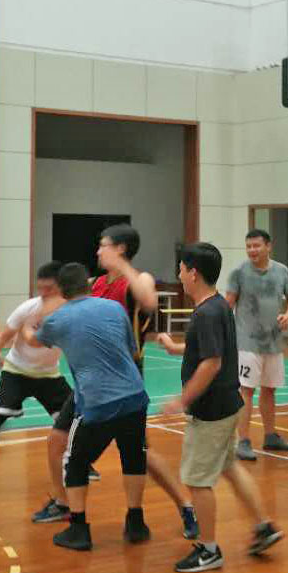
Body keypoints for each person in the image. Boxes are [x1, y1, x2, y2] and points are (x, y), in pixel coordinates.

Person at [158, 242, 283, 572]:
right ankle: (264, 526)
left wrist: (182, 400)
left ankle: (208, 550)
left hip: (211, 411)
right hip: (229, 406)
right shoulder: (217, 307)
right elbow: (210, 348)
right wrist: (175, 348)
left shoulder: (207, 313)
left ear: (193, 273)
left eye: (181, 270)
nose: (179, 276)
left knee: (198, 480)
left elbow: (211, 363)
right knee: (229, 466)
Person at [22, 263, 151, 551]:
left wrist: (28, 326)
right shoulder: (115, 308)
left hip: (97, 402)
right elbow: (131, 349)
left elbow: (34, 341)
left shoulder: (58, 319)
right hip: (134, 395)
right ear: (88, 285)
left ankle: (78, 528)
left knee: (75, 462)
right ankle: (135, 522)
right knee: (133, 458)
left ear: (61, 291)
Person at [94, 223, 198, 540]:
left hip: (125, 379)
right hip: (95, 378)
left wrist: (123, 265)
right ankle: (66, 504)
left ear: (120, 248)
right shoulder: (97, 284)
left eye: (104, 245)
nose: (98, 251)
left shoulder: (140, 280)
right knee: (62, 440)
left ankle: (185, 506)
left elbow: (150, 302)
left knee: (140, 451)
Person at [0, 263, 82, 524]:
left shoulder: (71, 311)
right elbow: (3, 336)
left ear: (61, 288)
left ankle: (82, 463)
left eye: (49, 289)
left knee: (74, 422)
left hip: (49, 375)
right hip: (17, 371)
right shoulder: (29, 308)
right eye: (40, 288)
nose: (44, 293)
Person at [224, 228, 288, 461]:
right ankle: (243, 441)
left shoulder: (282, 271)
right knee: (246, 390)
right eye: (249, 246)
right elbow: (228, 304)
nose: (252, 250)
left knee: (269, 389)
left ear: (268, 246)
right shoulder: (238, 272)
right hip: (246, 342)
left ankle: (270, 436)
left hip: (273, 341)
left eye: (256, 246)